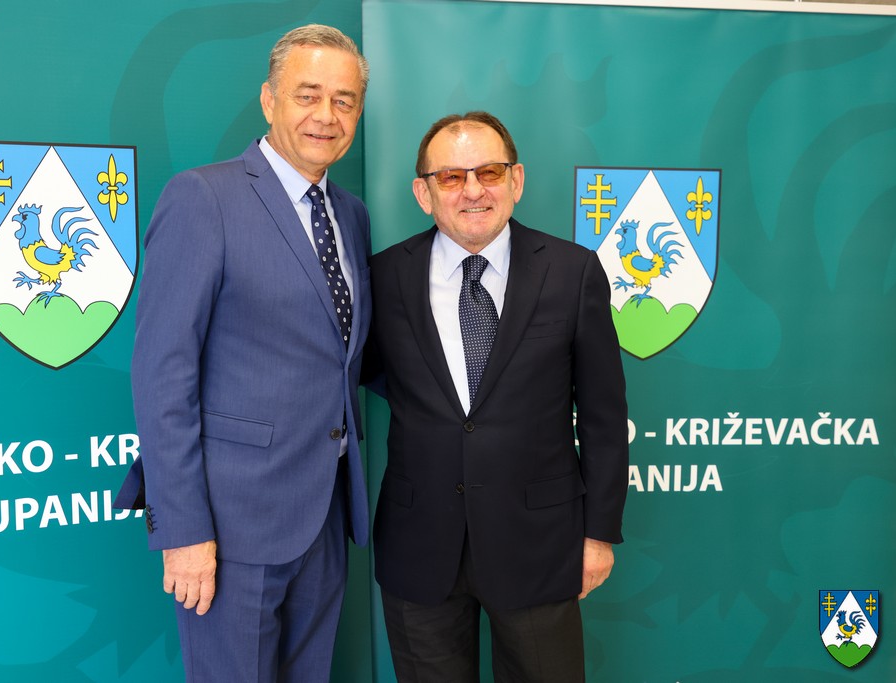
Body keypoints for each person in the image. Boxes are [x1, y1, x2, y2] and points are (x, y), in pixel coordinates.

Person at [114, 24, 371, 682]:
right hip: (229, 530)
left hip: (325, 516)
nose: (326, 115)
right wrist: (183, 529)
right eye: (307, 94)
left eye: (344, 100)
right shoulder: (204, 198)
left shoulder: (350, 215)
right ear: (268, 99)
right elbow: (163, 374)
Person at [366, 111, 628, 682]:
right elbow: (377, 377)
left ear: (517, 180)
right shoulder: (382, 278)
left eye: (488, 172)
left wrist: (599, 534)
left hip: (541, 545)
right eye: (451, 177)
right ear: (423, 193)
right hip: (419, 546)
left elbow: (604, 417)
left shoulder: (572, 271)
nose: (473, 191)